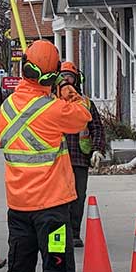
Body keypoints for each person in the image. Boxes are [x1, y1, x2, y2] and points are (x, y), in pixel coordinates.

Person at [0, 40, 104, 272]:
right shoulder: (53, 109)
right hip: (53, 213)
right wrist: (71, 93)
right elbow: (83, 117)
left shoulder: (7, 109)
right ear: (52, 75)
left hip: (19, 212)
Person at [58, 60, 106, 249]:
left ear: (77, 79)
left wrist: (97, 149)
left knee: (78, 198)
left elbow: (97, 128)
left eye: (70, 76)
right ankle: (60, 234)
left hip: (79, 158)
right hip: (57, 160)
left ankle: (74, 234)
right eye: (63, 77)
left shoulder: (86, 103)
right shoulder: (54, 103)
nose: (67, 80)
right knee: (59, 199)